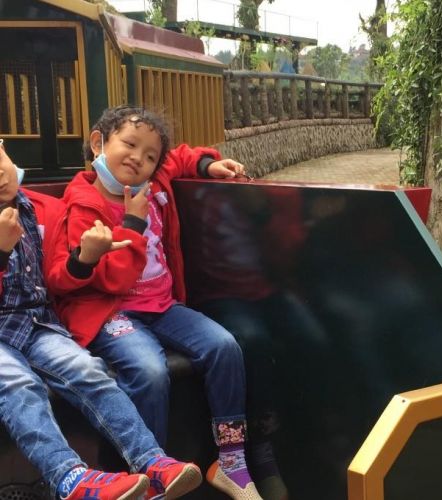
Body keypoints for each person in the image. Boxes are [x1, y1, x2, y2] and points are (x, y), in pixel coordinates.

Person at [46, 105, 262, 500]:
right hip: (111, 311)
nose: (139, 160)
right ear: (98, 142)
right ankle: (151, 471)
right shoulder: (82, 205)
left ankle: (230, 459)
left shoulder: (155, 182)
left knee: (224, 346)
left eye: (149, 156)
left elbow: (178, 156)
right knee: (149, 370)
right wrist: (133, 224)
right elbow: (110, 280)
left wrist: (208, 164)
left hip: (162, 305)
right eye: (129, 145)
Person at [0, 139, 201, 500]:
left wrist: (84, 259)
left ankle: (152, 461)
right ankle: (69, 477)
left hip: (38, 323)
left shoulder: (45, 208)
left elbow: (61, 276)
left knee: (89, 371)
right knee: (19, 385)